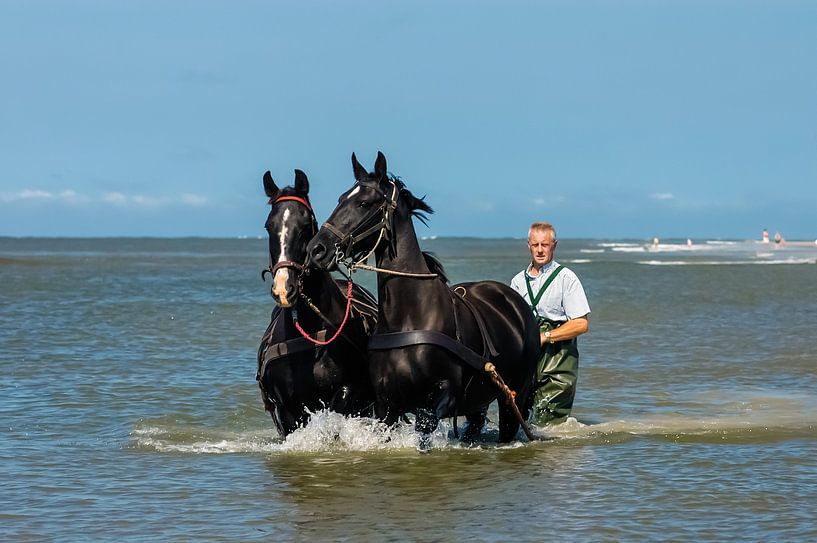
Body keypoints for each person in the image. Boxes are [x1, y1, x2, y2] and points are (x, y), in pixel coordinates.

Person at [510, 222, 590, 425]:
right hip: (527, 360)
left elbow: (581, 324)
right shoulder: (517, 281)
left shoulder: (566, 278)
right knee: (520, 420)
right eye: (535, 244)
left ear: (554, 245)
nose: (539, 250)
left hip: (558, 361)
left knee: (550, 423)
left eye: (544, 245)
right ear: (528, 245)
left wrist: (546, 336)